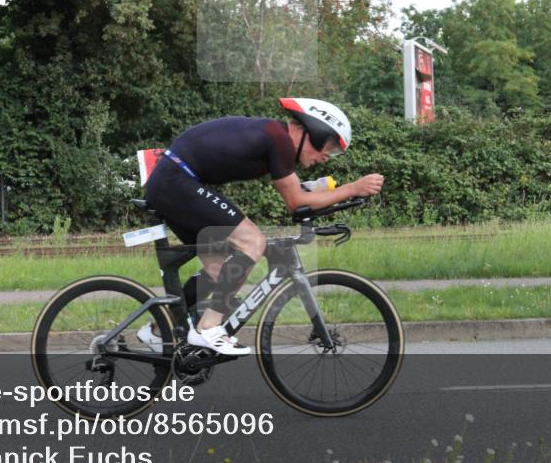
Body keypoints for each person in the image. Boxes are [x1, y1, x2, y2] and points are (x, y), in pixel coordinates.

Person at [138, 98, 384, 355]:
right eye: (330, 147)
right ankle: (208, 329)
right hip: (176, 180)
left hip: (173, 180)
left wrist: (337, 194)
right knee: (253, 242)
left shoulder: (276, 138)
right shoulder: (279, 140)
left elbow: (299, 194)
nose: (326, 157)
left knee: (218, 268)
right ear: (314, 132)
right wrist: (352, 188)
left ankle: (157, 330)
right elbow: (296, 201)